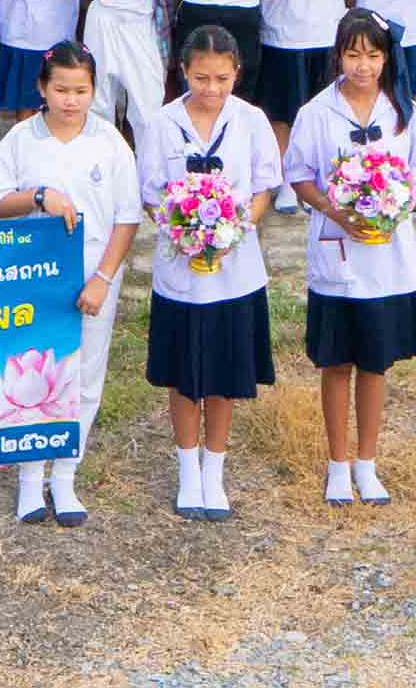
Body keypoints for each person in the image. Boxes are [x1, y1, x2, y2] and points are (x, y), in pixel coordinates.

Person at [0, 39, 141, 526]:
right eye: (61, 90)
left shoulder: (109, 142)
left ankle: (65, 476)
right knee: (33, 375)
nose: (71, 101)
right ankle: (30, 480)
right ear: (41, 89)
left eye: (81, 91)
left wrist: (103, 278)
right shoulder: (20, 140)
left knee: (85, 378)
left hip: (93, 277)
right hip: (34, 278)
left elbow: (126, 217)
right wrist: (38, 196)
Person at [135, 25, 285, 518]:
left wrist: (232, 232)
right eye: (201, 78)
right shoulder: (162, 123)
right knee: (183, 374)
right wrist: (183, 233)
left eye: (222, 79)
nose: (212, 89)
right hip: (180, 270)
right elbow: (151, 194)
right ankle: (186, 470)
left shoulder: (251, 120)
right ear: (183, 71)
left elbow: (264, 188)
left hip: (234, 269)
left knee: (223, 372)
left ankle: (213, 471)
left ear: (237, 73)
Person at [286, 14, 416, 508]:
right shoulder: (316, 113)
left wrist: (395, 208)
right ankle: (337, 465)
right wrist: (335, 209)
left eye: (372, 55)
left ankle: (367, 463)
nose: (363, 66)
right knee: (336, 363)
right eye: (353, 55)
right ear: (338, 56)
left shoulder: (406, 112)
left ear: (387, 58)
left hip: (387, 257)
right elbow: (300, 175)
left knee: (375, 363)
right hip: (338, 253)